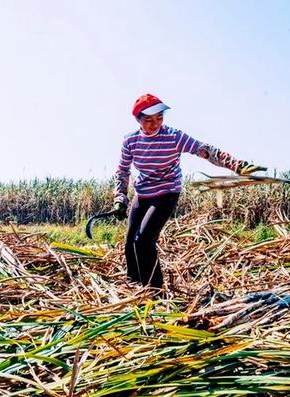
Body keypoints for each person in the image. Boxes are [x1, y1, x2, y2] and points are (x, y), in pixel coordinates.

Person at [113, 94, 266, 290]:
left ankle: (154, 291)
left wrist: (237, 165)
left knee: (143, 241)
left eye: (159, 118)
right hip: (142, 193)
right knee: (130, 243)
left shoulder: (174, 137)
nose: (155, 124)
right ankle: (133, 285)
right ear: (138, 120)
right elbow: (123, 171)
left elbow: (205, 150)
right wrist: (120, 198)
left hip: (167, 191)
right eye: (149, 120)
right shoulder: (130, 141)